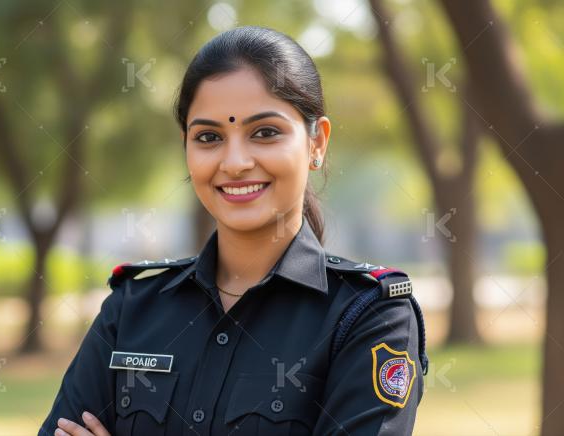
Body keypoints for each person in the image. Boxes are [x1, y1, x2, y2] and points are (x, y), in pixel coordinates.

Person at [39, 25, 428, 436]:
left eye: (265, 133)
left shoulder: (369, 316)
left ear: (317, 143)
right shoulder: (133, 308)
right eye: (209, 137)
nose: (235, 162)